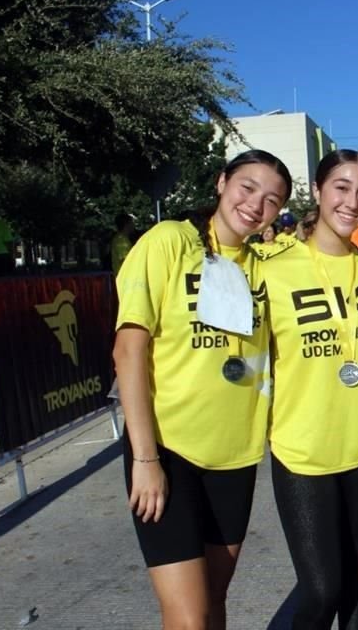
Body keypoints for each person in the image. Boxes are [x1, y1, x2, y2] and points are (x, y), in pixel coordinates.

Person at [112, 149, 292, 629]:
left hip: (235, 458)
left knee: (214, 601)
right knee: (188, 617)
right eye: (248, 187)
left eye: (272, 200)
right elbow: (127, 351)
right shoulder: (169, 241)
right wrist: (145, 460)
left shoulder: (266, 266)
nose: (256, 204)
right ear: (221, 182)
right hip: (169, 452)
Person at [263, 149, 358, 629]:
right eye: (341, 187)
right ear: (318, 192)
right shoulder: (271, 268)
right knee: (321, 587)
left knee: (357, 567)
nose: (352, 202)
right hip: (302, 447)